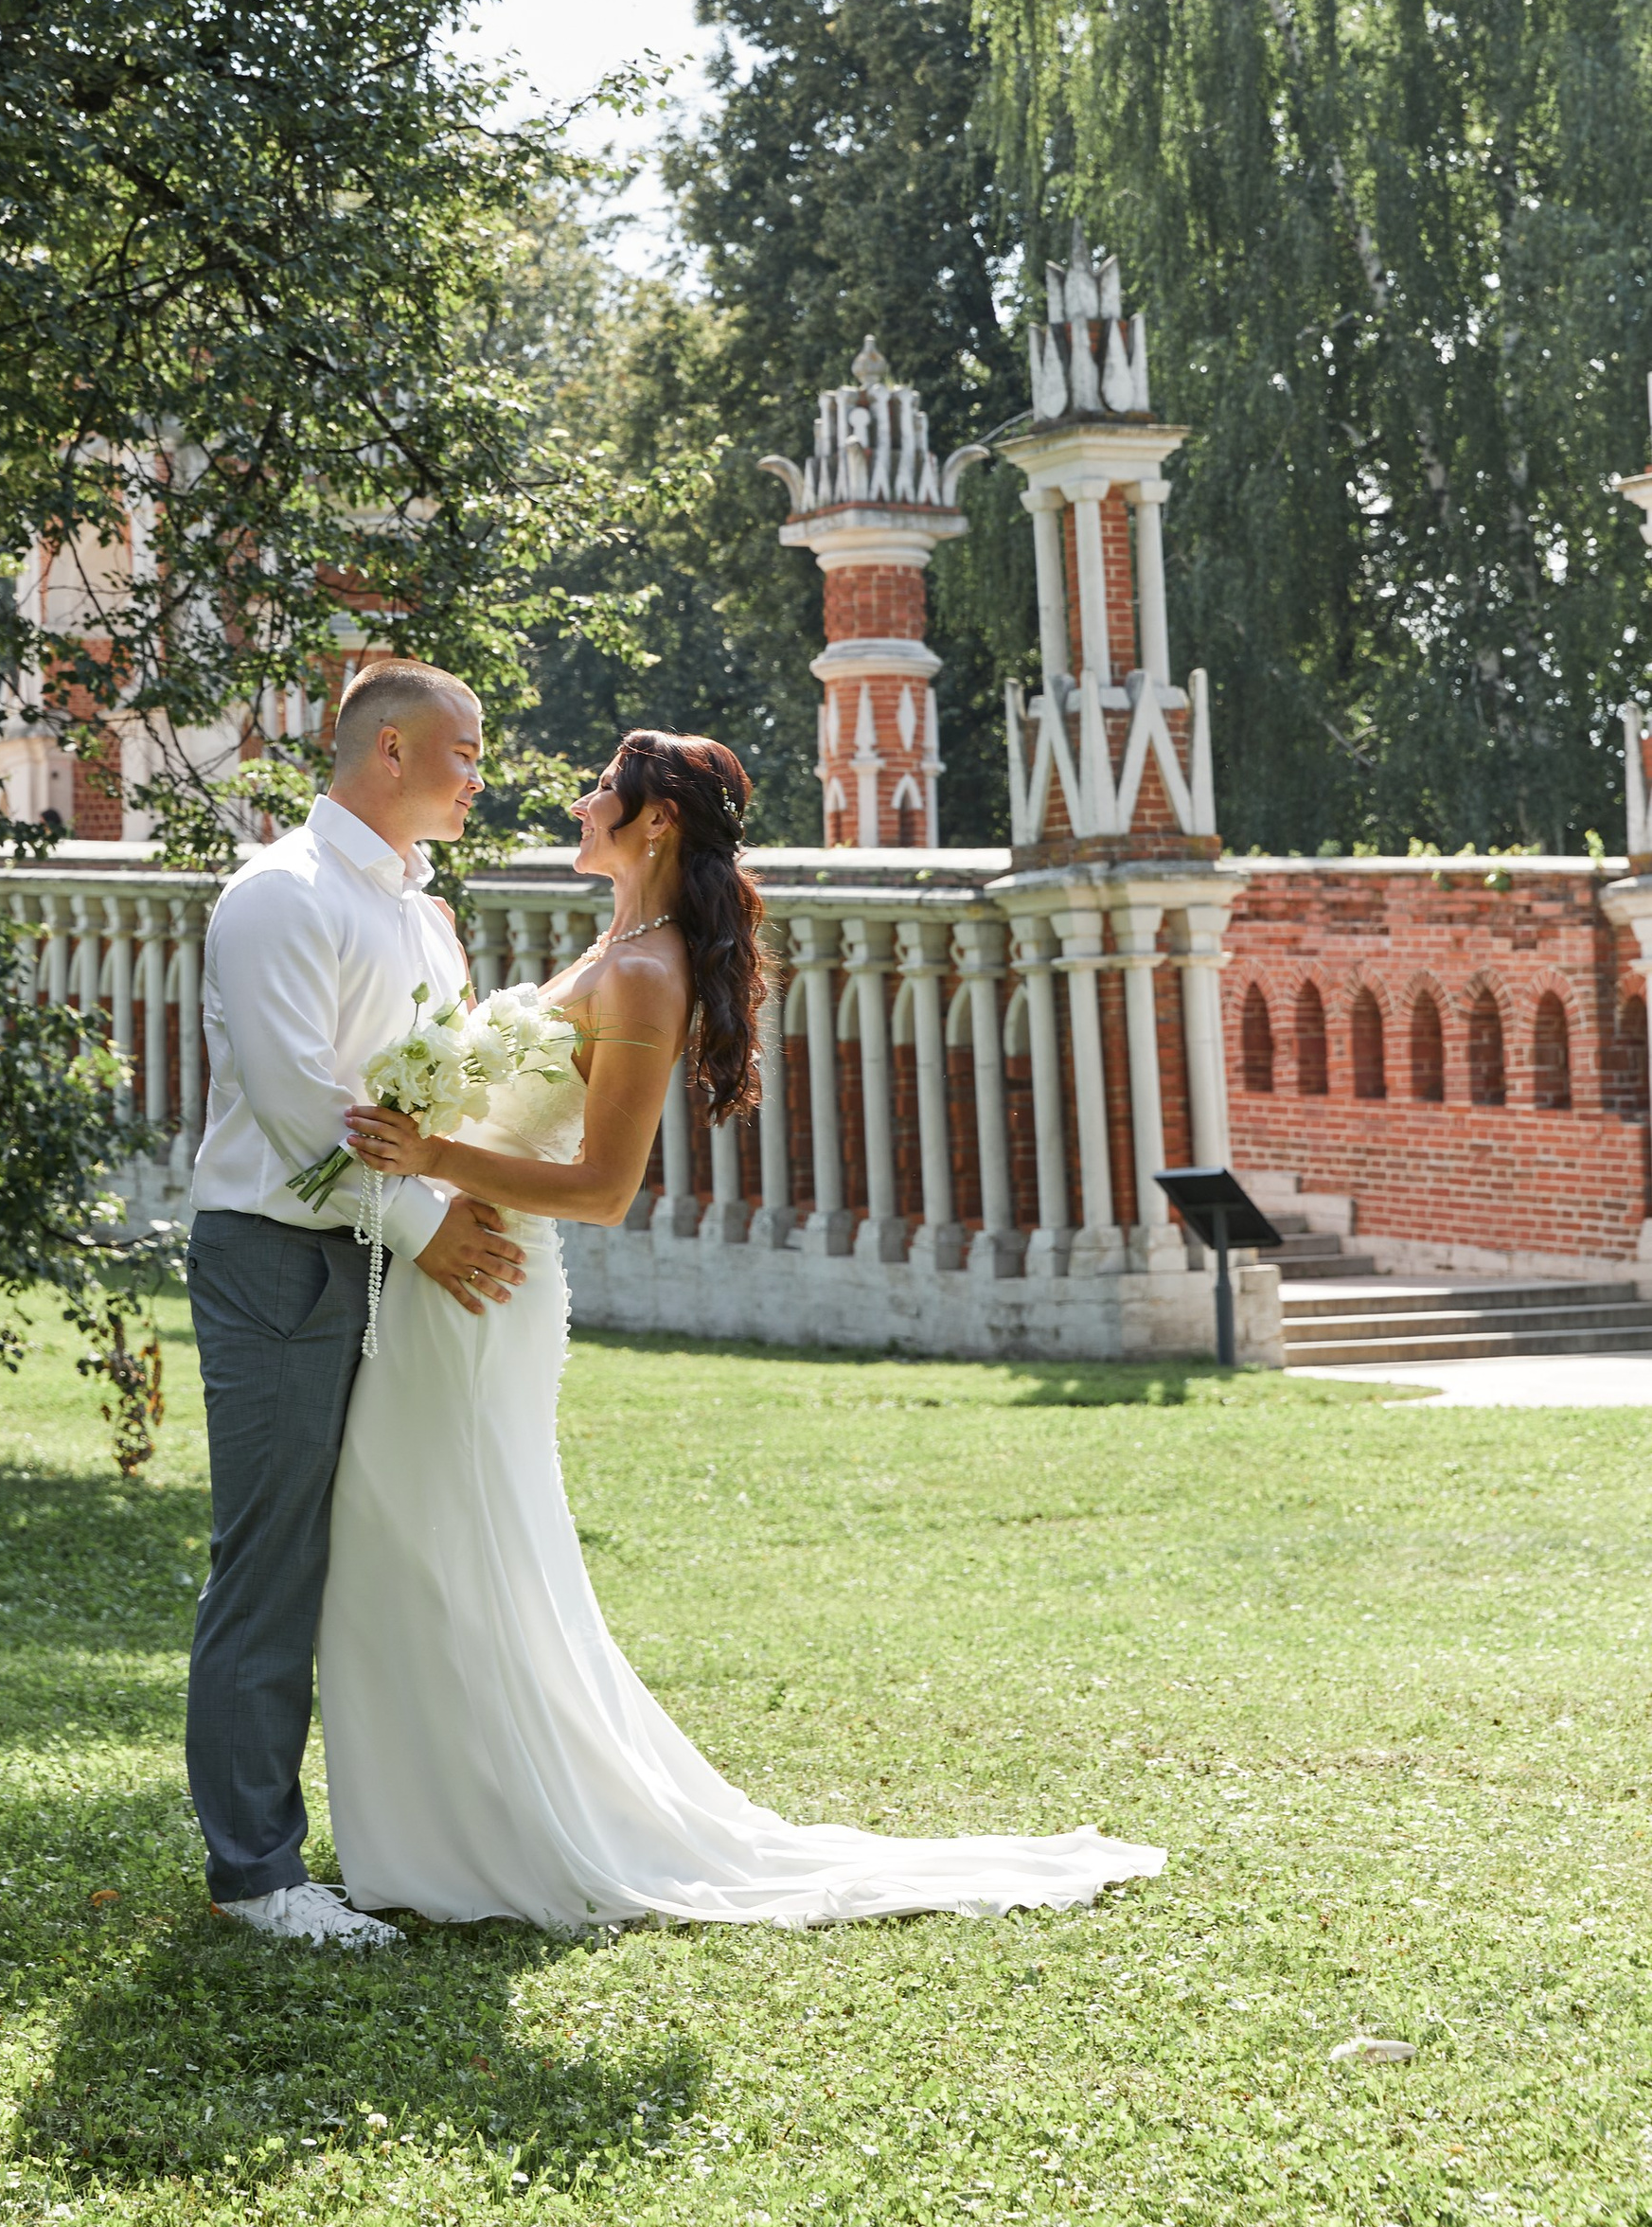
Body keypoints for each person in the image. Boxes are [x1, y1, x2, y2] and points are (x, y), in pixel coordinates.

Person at [320, 728, 1166, 1931]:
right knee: (422, 1539)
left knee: (456, 1542)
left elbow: (608, 1189)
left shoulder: (648, 975)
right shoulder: (613, 946)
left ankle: (489, 1836)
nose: (577, 799)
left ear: (653, 821)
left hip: (488, 1286)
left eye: (598, 790)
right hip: (447, 1272)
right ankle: (445, 1821)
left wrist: (431, 1153)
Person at [183, 661, 525, 1949]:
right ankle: (258, 1876)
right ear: (387, 751)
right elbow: (295, 1106)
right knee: (273, 1564)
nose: (479, 777)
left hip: (390, 1262)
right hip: (276, 1259)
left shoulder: (422, 916)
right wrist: (429, 1226)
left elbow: (425, 1109)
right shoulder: (279, 896)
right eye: (467, 751)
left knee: (398, 1554)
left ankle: (413, 1839)